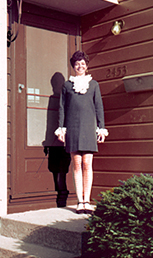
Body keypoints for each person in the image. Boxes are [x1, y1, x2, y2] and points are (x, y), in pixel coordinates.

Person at [55, 51, 108, 214]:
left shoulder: (94, 85)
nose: (80, 66)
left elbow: (99, 107)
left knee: (87, 163)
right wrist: (62, 128)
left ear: (86, 65)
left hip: (88, 128)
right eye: (77, 63)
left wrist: (101, 127)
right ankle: (79, 201)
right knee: (77, 163)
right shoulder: (66, 85)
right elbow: (62, 108)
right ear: (74, 66)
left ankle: (87, 201)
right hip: (73, 127)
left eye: (83, 63)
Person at [43, 73, 71, 208]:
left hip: (65, 139)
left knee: (62, 170)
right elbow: (49, 121)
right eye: (54, 83)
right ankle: (59, 194)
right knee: (54, 169)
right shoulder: (52, 98)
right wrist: (47, 141)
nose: (56, 86)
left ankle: (62, 196)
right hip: (53, 140)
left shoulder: (67, 97)